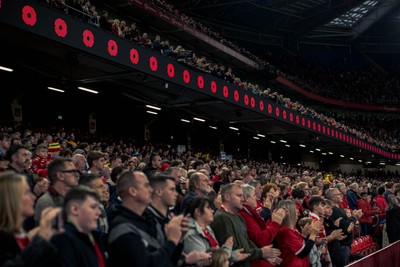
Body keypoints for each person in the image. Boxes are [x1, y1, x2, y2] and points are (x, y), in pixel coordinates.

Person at [210, 183, 282, 267]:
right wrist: (260, 253)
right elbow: (235, 251)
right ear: (227, 197)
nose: (243, 199)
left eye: (243, 196)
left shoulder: (238, 216)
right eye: (239, 196)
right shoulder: (222, 218)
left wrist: (263, 254)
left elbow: (247, 241)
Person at [0, 171, 61, 266]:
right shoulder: (2, 240)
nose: (33, 197)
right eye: (26, 192)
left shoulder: (24, 235)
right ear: (11, 198)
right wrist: (41, 239)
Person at [183, 197, 250, 264]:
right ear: (198, 212)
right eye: (208, 208)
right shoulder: (191, 235)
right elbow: (205, 262)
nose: (212, 211)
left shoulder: (208, 229)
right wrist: (227, 250)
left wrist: (231, 256)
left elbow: (215, 258)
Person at [51, 185, 106, 267]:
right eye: (93, 207)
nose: (99, 213)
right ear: (75, 209)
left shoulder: (93, 236)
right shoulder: (64, 240)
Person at [238, 184, 286, 267]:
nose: (256, 198)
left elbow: (261, 230)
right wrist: (275, 223)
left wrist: (272, 220)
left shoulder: (249, 213)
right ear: (246, 198)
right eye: (254, 195)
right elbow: (262, 240)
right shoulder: (244, 215)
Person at [275, 200, 322, 267]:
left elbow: (301, 245)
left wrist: (304, 235)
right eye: (295, 210)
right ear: (290, 213)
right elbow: (302, 252)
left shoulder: (293, 229)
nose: (297, 212)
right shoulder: (286, 231)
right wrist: (313, 234)